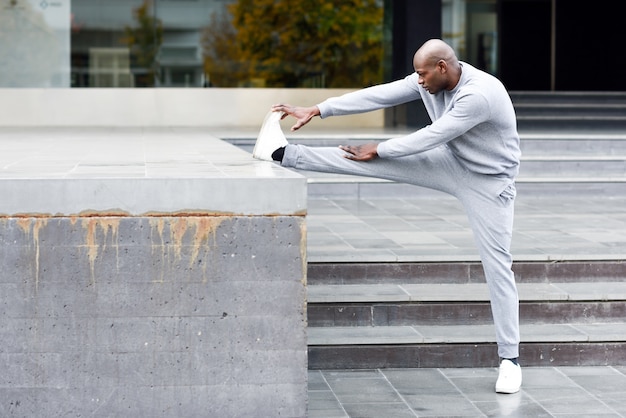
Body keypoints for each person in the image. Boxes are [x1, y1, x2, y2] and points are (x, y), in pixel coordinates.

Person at [253, 38, 522, 394]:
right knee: (362, 158)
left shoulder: (480, 94)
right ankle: (281, 153)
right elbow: (380, 95)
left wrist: (379, 147)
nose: (419, 81)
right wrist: (318, 109)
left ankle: (510, 361)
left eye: (423, 74)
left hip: (489, 183)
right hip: (452, 162)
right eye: (417, 74)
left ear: (443, 67)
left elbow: (433, 134)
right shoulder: (429, 78)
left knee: (497, 265)